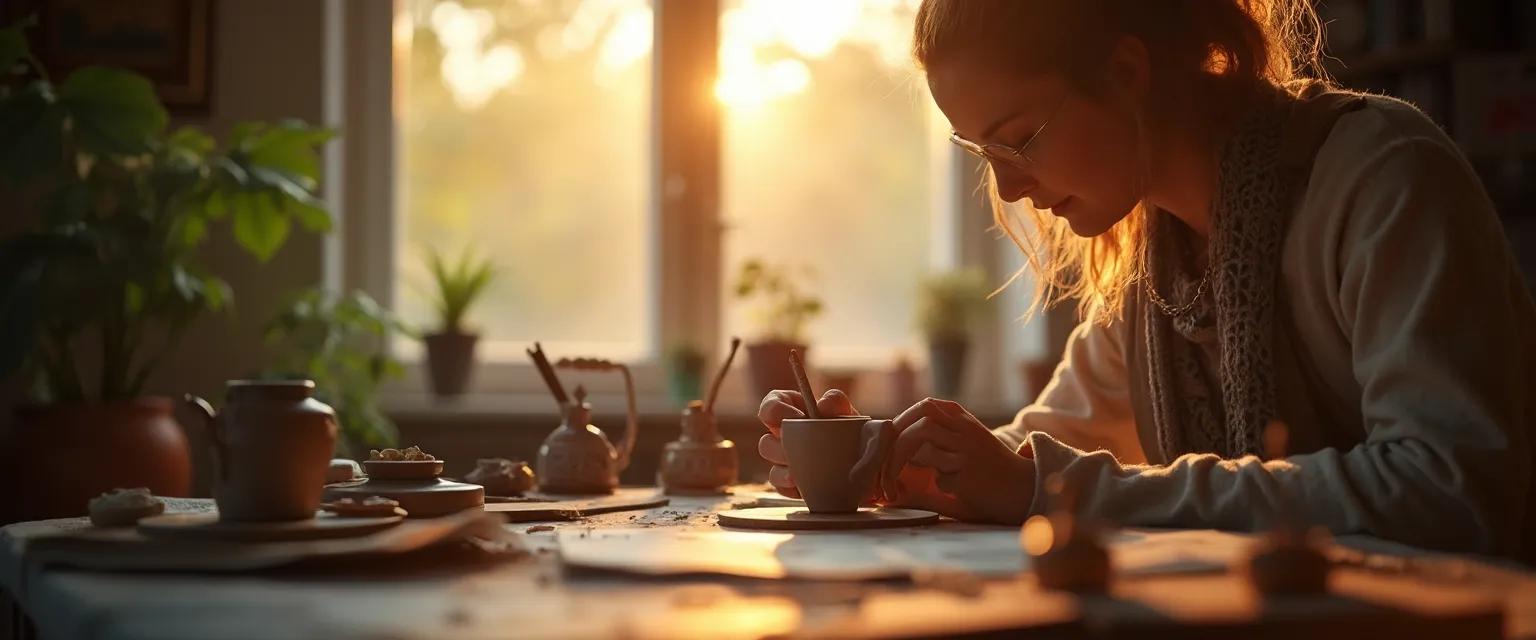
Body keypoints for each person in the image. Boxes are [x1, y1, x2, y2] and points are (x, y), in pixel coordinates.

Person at [756, 0, 1536, 563]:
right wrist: (884, 460)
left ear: (1127, 71)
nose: (1010, 190)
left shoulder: (1381, 178)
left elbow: (1451, 490)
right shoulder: (1152, 263)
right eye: (982, 155)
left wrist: (1052, 486)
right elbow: (1041, 452)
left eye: (1018, 140)